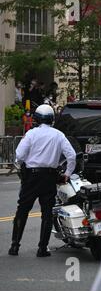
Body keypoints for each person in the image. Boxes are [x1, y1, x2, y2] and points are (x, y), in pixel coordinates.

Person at [8, 104, 76, 257]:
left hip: (31, 177)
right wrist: (67, 173)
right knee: (47, 213)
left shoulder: (31, 134)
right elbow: (71, 156)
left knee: (22, 210)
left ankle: (14, 246)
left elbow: (19, 155)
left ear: (36, 119)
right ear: (52, 119)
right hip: (49, 177)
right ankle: (42, 248)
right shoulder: (58, 135)